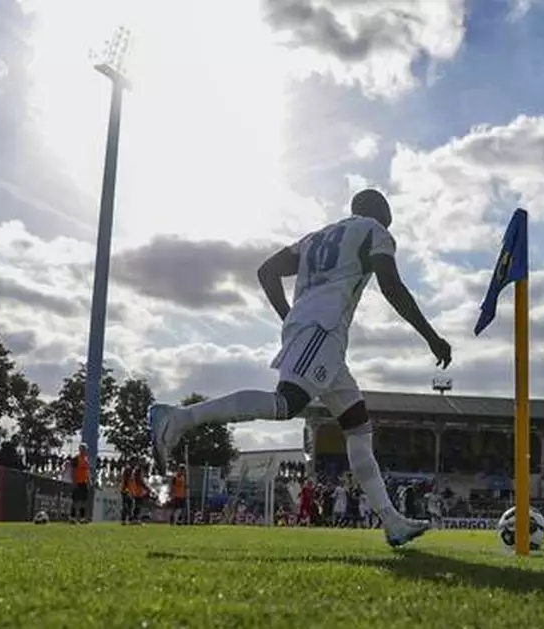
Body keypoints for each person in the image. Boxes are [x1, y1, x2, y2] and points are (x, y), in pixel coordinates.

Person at [147, 189, 451, 548]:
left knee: (358, 428)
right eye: (388, 209)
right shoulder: (374, 231)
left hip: (320, 335)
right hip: (322, 330)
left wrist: (288, 316)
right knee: (285, 404)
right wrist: (431, 336)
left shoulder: (315, 238)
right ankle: (179, 419)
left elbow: (267, 271)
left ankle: (392, 521)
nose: (390, 216)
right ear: (377, 209)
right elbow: (392, 286)